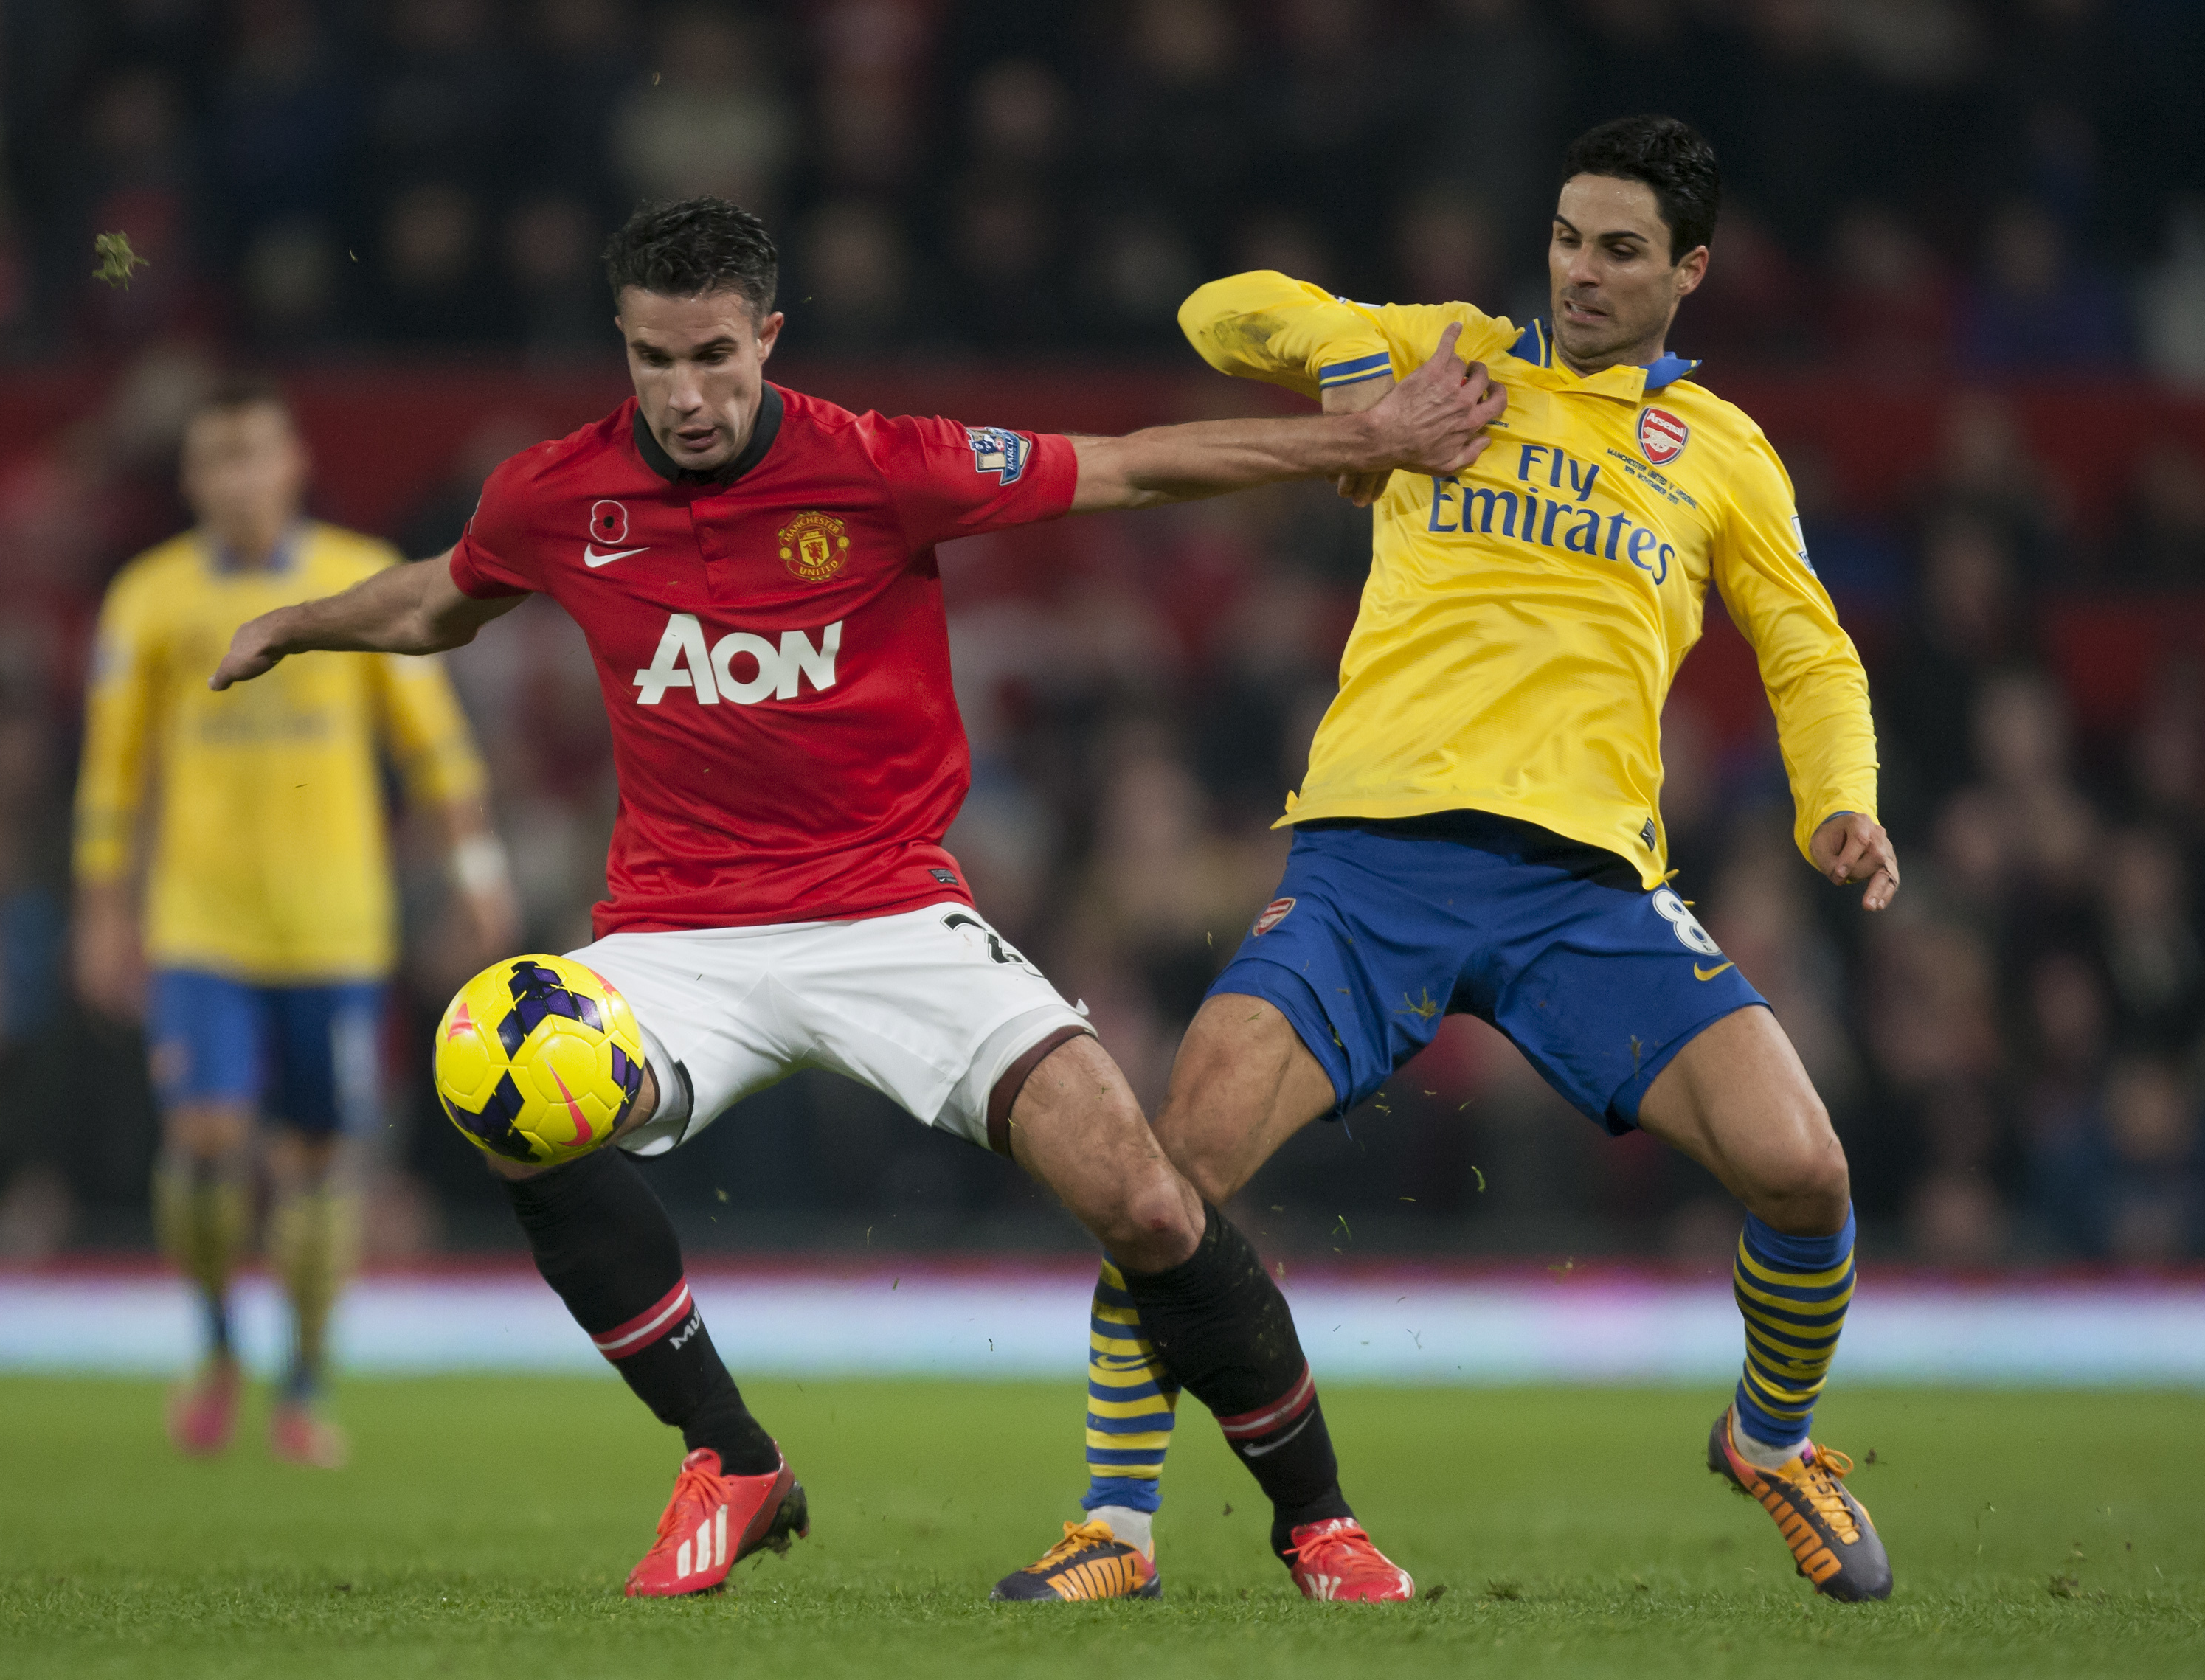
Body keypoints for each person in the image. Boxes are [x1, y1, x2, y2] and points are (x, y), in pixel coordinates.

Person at [208, 195, 1503, 1597]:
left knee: (1138, 1194)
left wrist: (1362, 439)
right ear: (621, 348)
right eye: (654, 360)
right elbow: (438, 602)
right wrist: (297, 623)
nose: (687, 394)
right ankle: (728, 1454)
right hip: (676, 940)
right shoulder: (551, 496)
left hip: (890, 918)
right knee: (496, 1077)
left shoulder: (883, 465)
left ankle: (1316, 1519)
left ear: (768, 335)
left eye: (713, 354)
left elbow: (1129, 468)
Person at [1005, 114, 1902, 1605]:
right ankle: (1116, 1519)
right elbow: (1213, 314)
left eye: (1622, 250)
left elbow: (1809, 646)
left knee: (1805, 1171)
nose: (1584, 272)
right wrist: (1352, 376)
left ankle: (1772, 1437)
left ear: (1692, 268)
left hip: (1588, 886)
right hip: (1373, 863)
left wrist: (1838, 799)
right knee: (1174, 1175)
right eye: (1566, 237)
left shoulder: (1725, 452)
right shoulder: (1447, 355)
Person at [74, 378, 515, 1467]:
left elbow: (435, 748)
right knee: (211, 1138)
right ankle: (221, 1343)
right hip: (201, 923)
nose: (239, 477)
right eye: (217, 458)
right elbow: (113, 770)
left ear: (293, 466)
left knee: (320, 1165)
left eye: (256, 454)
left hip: (335, 928)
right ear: (191, 479)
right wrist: (101, 907)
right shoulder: (150, 597)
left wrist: (477, 873)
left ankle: (306, 1381)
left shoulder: (351, 578)